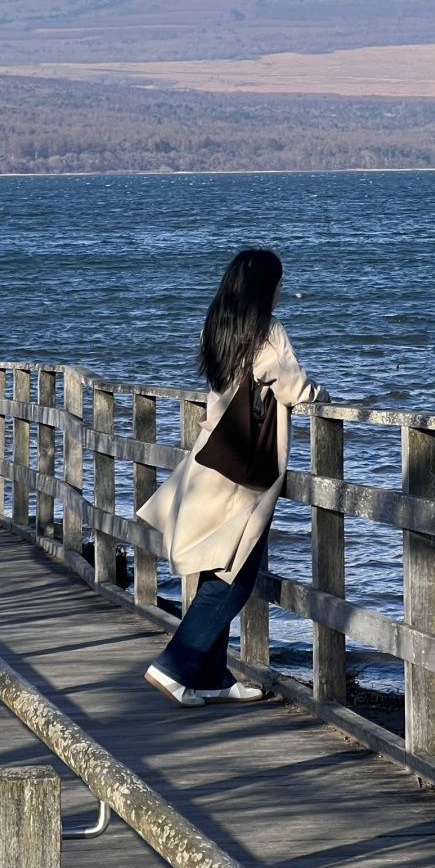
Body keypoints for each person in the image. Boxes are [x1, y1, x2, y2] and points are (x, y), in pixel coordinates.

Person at [138, 247, 329, 707]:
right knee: (237, 574)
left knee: (217, 563)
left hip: (212, 457)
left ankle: (212, 676)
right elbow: (295, 388)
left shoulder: (217, 327)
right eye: (279, 282)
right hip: (246, 469)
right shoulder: (267, 331)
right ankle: (173, 666)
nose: (282, 289)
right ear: (267, 286)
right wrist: (323, 394)